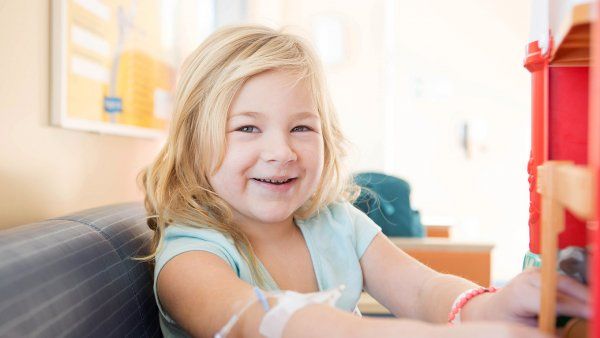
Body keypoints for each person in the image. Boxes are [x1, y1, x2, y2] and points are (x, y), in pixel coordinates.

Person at [138, 24, 589, 338]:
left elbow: (423, 289)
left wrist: (490, 307)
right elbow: (250, 323)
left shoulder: (336, 223)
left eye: (302, 128)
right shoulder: (190, 256)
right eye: (247, 128)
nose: (282, 151)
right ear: (194, 144)